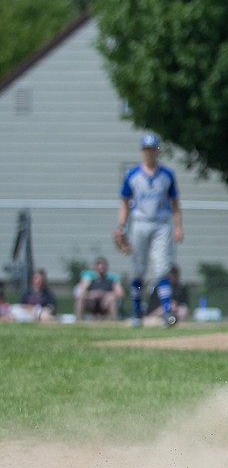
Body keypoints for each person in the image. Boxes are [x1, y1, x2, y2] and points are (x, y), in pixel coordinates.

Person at [115, 133, 183, 327]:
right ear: (142, 151)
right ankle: (137, 314)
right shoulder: (132, 174)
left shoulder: (167, 175)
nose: (150, 153)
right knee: (138, 269)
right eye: (146, 149)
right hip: (139, 222)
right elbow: (124, 202)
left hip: (162, 223)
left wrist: (178, 226)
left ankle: (167, 313)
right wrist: (121, 225)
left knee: (162, 268)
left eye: (153, 149)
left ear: (157, 151)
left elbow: (175, 203)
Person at [73, 256, 125, 320]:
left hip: (105, 303)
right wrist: (92, 294)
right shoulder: (89, 278)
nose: (101, 267)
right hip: (91, 303)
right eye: (99, 265)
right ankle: (79, 321)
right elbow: (80, 293)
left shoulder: (112, 278)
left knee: (112, 298)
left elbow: (120, 294)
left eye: (103, 265)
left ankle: (114, 321)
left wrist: (105, 294)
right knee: (80, 298)